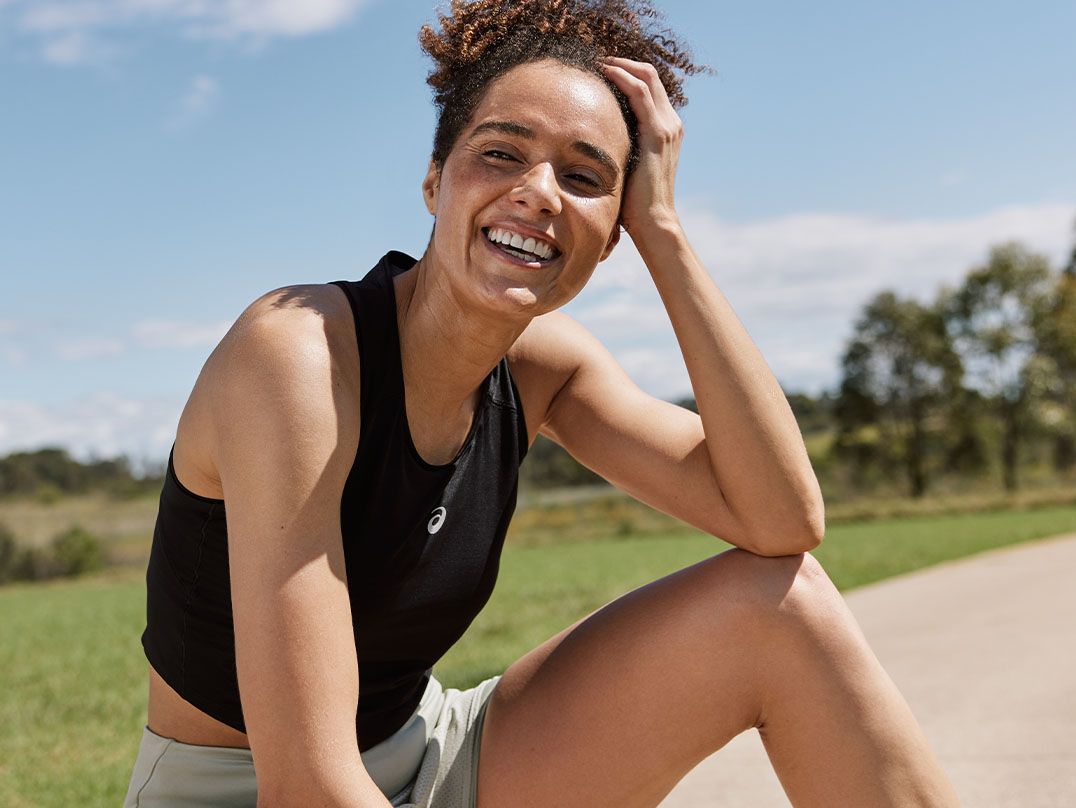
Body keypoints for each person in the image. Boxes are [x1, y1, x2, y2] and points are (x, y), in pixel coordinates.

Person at [124, 0, 962, 806]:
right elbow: (306, 788)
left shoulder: (544, 370)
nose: (538, 192)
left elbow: (781, 522)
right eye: (499, 153)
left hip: (432, 756)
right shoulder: (297, 354)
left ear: (614, 229)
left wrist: (665, 236)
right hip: (253, 795)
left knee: (785, 608)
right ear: (432, 180)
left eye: (586, 176)